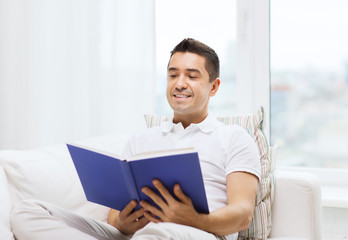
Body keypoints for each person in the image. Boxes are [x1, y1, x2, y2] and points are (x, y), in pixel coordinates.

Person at [11, 38, 260, 240]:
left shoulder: (234, 139)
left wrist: (193, 219)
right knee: (28, 211)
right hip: (137, 235)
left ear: (214, 87)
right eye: (173, 75)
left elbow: (242, 214)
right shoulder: (142, 139)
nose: (179, 83)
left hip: (196, 233)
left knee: (161, 233)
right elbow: (113, 215)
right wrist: (123, 222)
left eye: (192, 76)